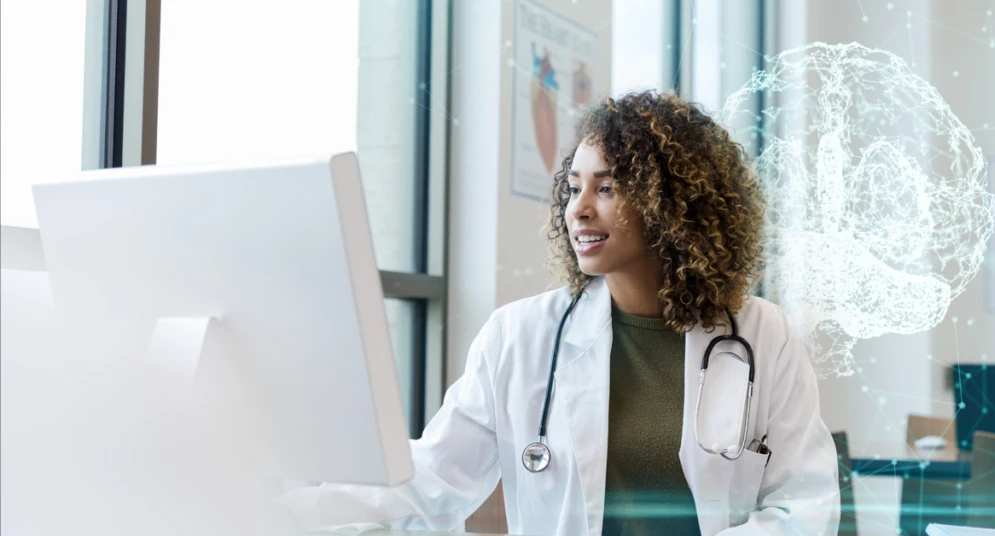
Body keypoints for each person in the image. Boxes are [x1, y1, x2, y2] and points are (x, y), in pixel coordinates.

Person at [279, 91, 840, 535]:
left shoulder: (763, 336)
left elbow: (805, 504)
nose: (579, 209)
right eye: (573, 188)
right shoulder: (519, 336)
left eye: (608, 187)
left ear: (669, 203)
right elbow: (431, 478)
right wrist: (287, 505)